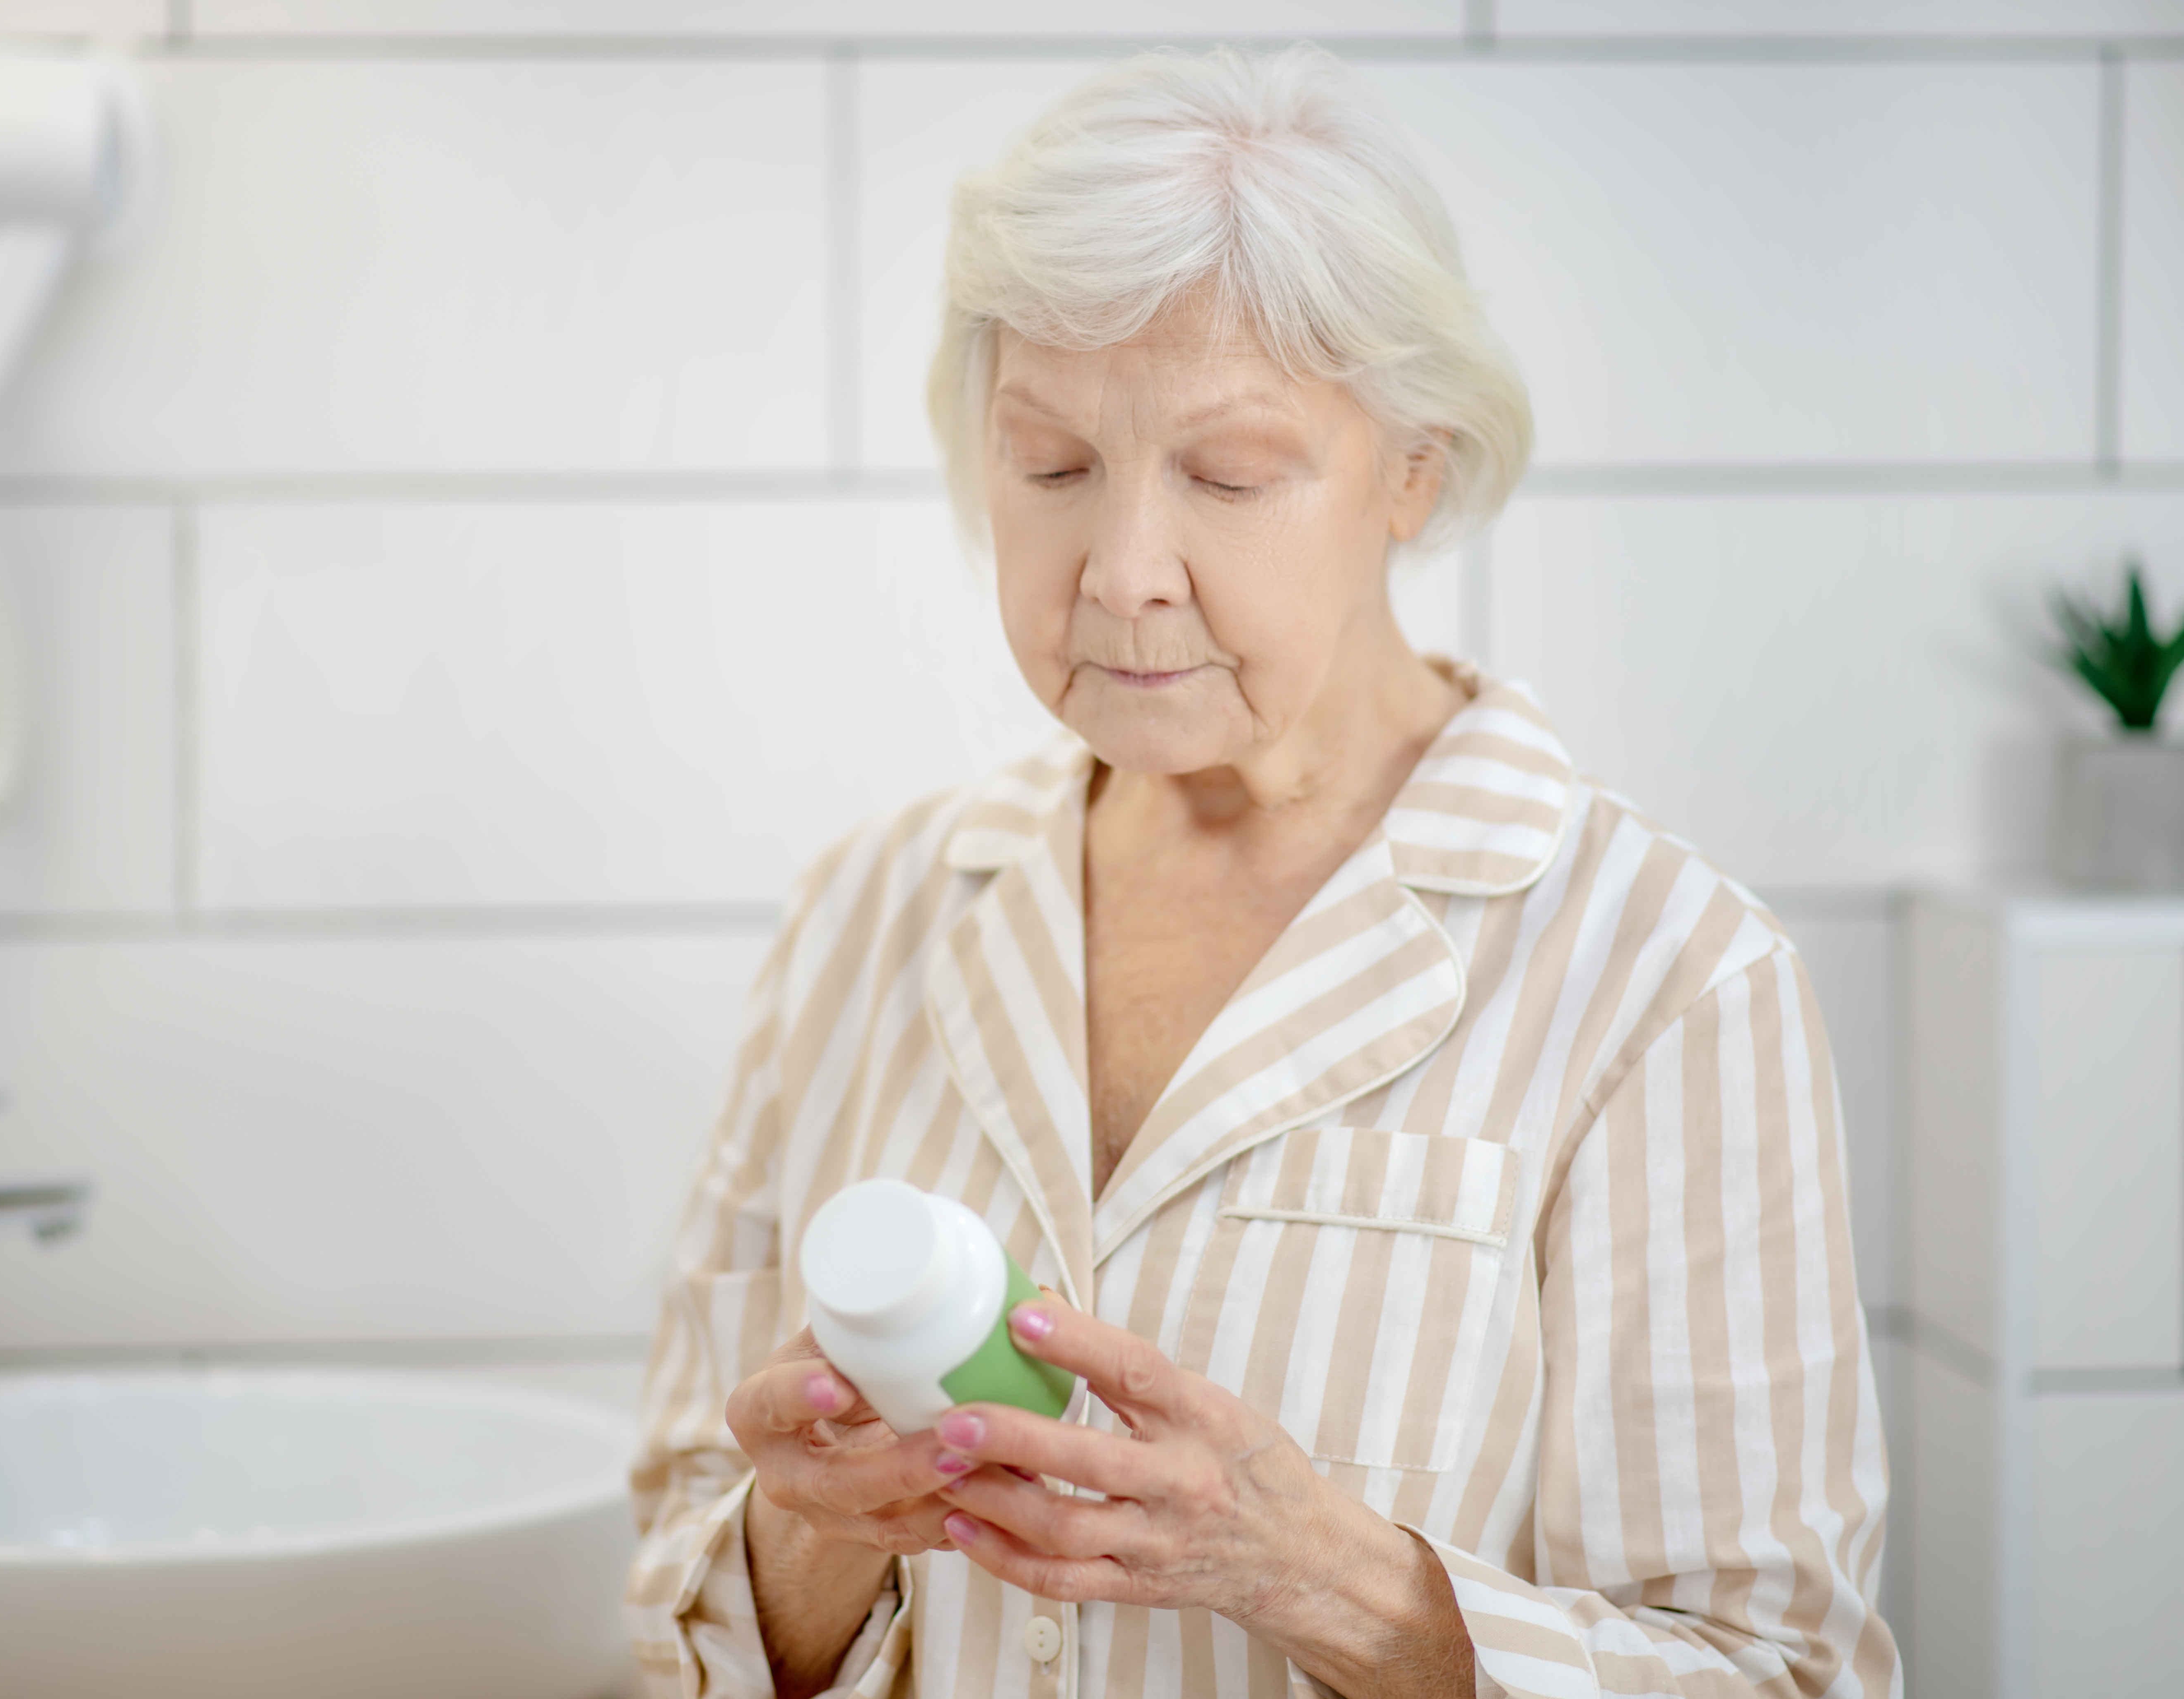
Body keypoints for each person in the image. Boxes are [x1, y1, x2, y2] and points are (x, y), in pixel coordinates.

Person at [626, 43, 1894, 1699]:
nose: (1126, 570)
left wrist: (1329, 1583)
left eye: (1229, 475)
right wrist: (818, 1531)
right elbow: (659, 1600)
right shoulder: (867, 912)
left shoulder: (1665, 976)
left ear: (1412, 471)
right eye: (1053, 464)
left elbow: (1782, 1674)